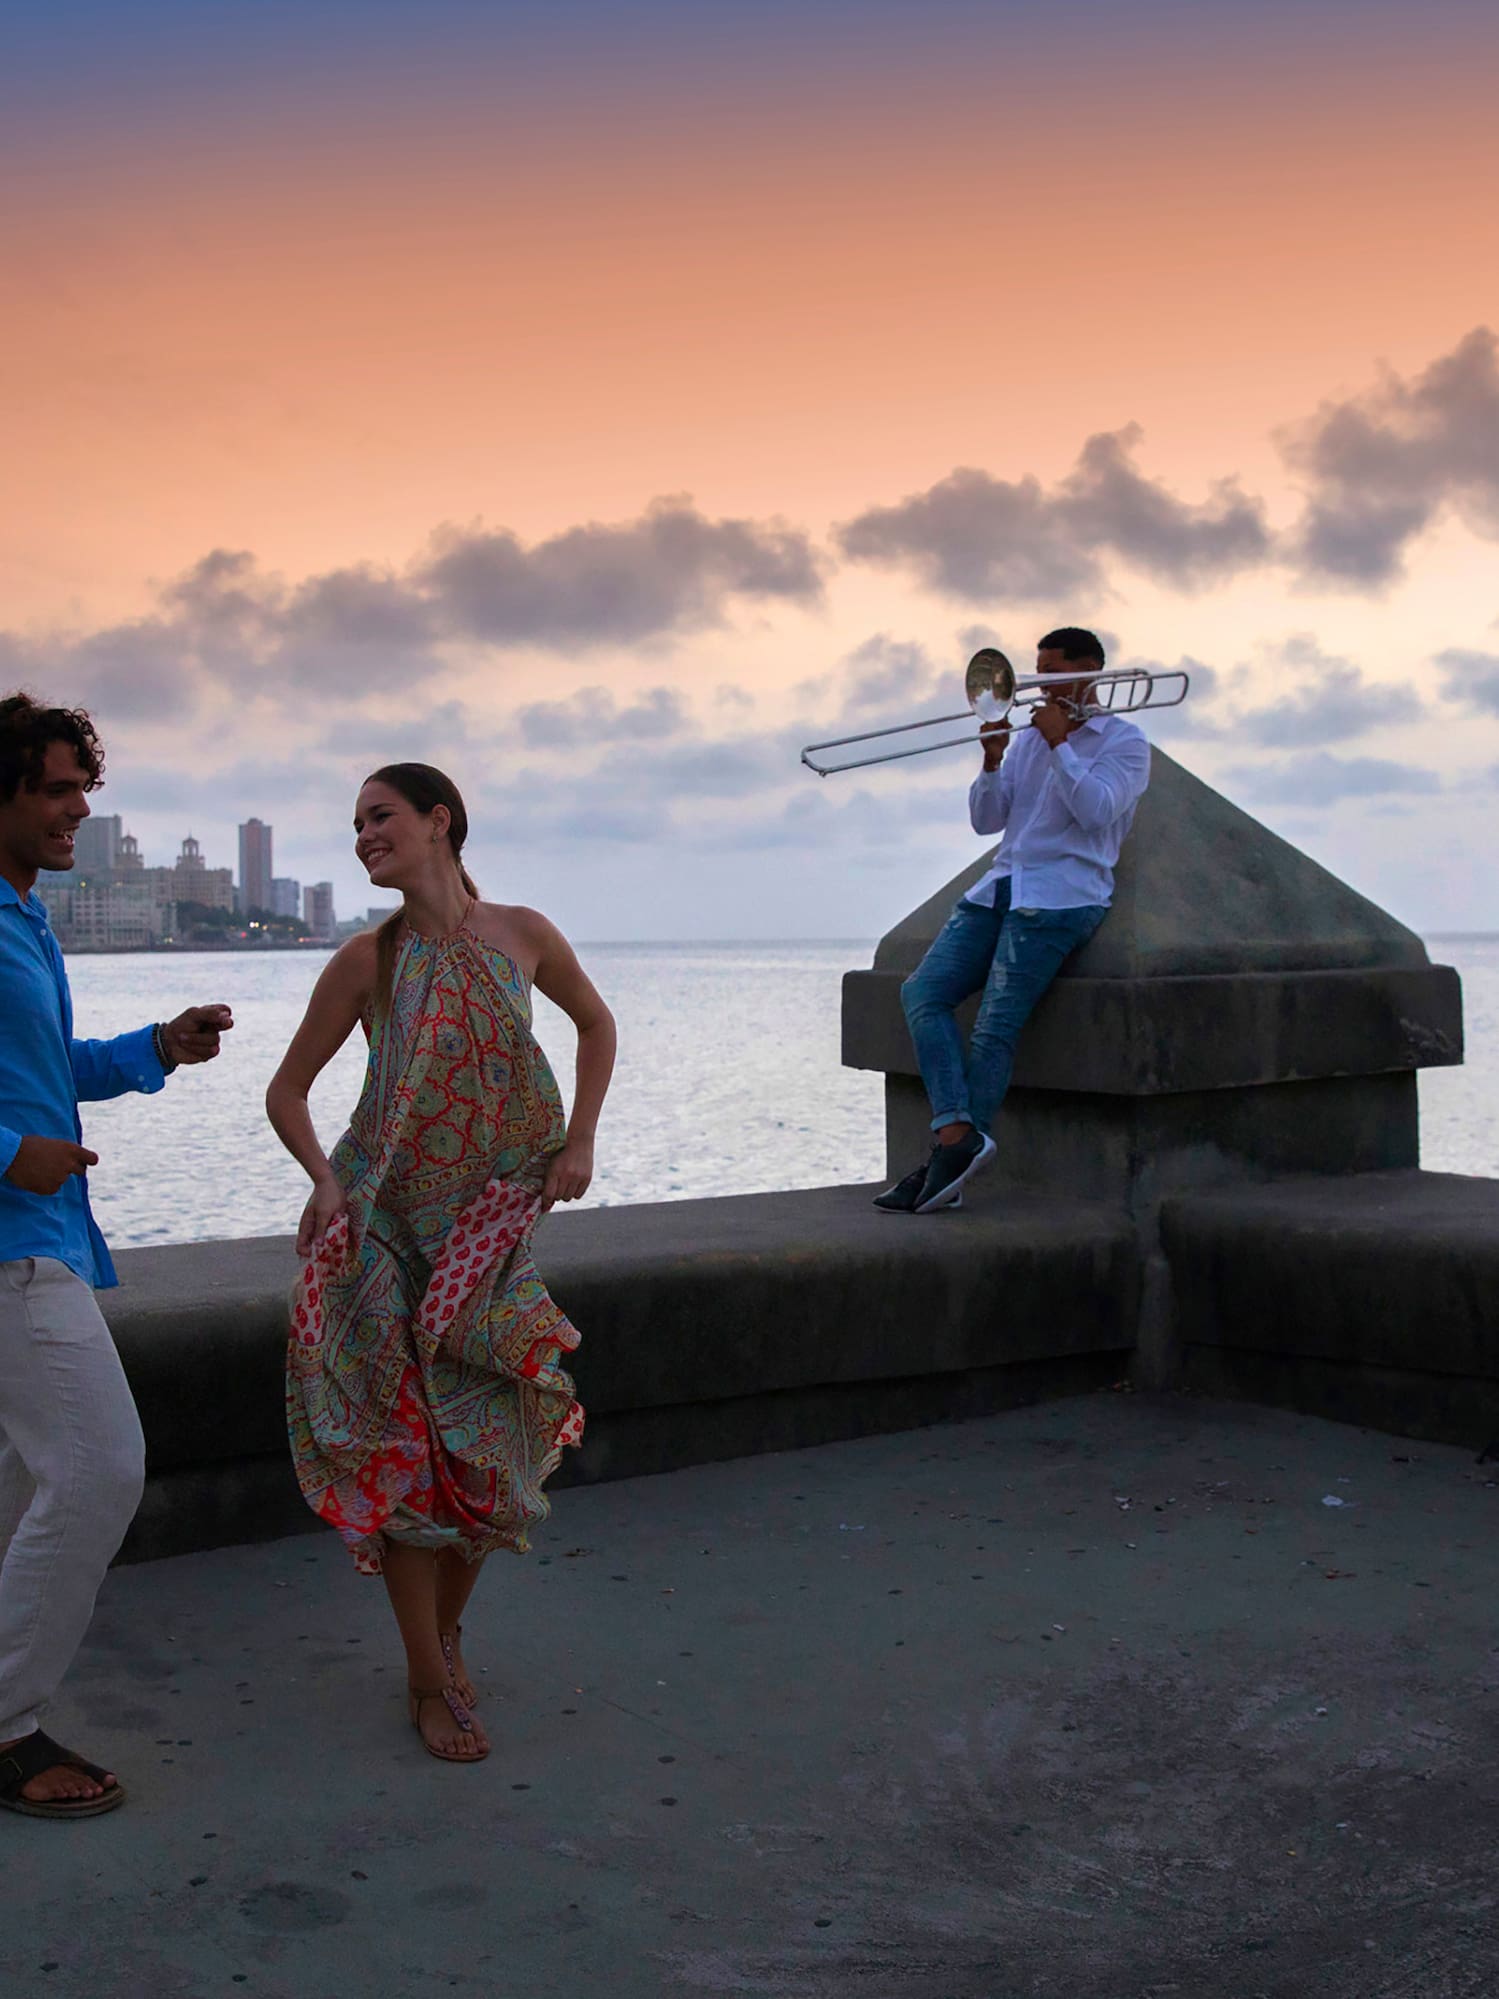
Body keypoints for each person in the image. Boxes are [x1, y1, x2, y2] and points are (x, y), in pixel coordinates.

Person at [268, 763, 616, 1765]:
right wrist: (326, 1183)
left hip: (490, 1231)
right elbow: (288, 1091)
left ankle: (444, 1636)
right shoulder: (365, 960)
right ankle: (428, 1679)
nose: (362, 836)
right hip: (382, 1236)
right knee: (406, 1462)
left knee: (494, 1451)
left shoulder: (522, 934)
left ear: (439, 820)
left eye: (379, 818)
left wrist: (577, 1142)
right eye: (354, 824)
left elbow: (595, 1022)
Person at [0, 693, 232, 1820]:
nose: (76, 810)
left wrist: (154, 1049)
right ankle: (3, 1724)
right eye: (53, 788)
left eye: (81, 790)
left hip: (40, 1235)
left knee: (25, 1484)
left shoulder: (23, 919)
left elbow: (44, 1067)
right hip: (9, 1248)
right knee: (100, 1467)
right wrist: (10, 1157)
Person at [875, 628, 1150, 1215]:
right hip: (1001, 886)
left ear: (1090, 673)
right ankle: (955, 1137)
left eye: (1052, 672)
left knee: (995, 1029)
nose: (1037, 684)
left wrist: (1062, 747)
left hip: (1062, 898)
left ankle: (944, 1167)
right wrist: (993, 759)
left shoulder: (1124, 742)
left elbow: (1098, 811)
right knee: (922, 993)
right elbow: (987, 821)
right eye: (1037, 669)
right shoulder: (1027, 741)